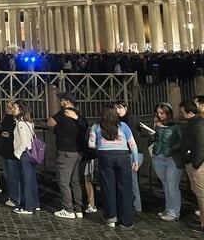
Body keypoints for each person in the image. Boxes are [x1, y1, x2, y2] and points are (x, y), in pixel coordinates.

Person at [88, 103, 139, 228]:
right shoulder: (123, 126)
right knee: (125, 188)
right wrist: (135, 160)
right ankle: (126, 220)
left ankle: (111, 217)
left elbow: (91, 144)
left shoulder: (96, 126)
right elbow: (132, 144)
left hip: (104, 156)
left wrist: (102, 145)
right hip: (123, 156)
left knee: (108, 187)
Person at [47, 91, 88, 219]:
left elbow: (50, 122)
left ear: (67, 102)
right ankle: (78, 208)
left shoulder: (63, 113)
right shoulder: (79, 115)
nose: (60, 102)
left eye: (61, 100)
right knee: (75, 181)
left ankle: (68, 209)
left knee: (64, 182)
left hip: (65, 152)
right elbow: (85, 125)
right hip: (78, 152)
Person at [151, 102, 183, 221]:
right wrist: (153, 131)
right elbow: (153, 139)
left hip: (172, 158)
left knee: (172, 185)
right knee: (165, 184)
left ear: (168, 113)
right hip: (158, 156)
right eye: (158, 113)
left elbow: (182, 141)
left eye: (162, 113)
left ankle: (174, 212)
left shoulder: (176, 126)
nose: (160, 115)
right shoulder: (157, 124)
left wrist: (172, 148)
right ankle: (168, 208)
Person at [114, 100, 144, 212]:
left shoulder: (131, 120)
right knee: (128, 180)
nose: (118, 110)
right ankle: (131, 204)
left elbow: (134, 138)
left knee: (132, 181)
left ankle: (136, 206)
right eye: (116, 108)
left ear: (126, 108)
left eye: (120, 108)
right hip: (125, 153)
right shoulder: (117, 121)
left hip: (133, 153)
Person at [180, 98, 204, 233]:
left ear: (189, 112)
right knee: (199, 193)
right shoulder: (193, 123)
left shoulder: (198, 124)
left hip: (197, 165)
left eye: (182, 111)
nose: (181, 114)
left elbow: (201, 145)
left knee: (202, 194)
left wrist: (196, 164)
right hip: (192, 162)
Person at [12, 100, 39, 214]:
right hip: (30, 153)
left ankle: (27, 206)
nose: (13, 110)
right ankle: (34, 203)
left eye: (14, 108)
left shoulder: (21, 124)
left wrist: (17, 153)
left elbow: (23, 142)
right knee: (31, 180)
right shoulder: (29, 122)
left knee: (26, 180)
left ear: (20, 110)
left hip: (24, 154)